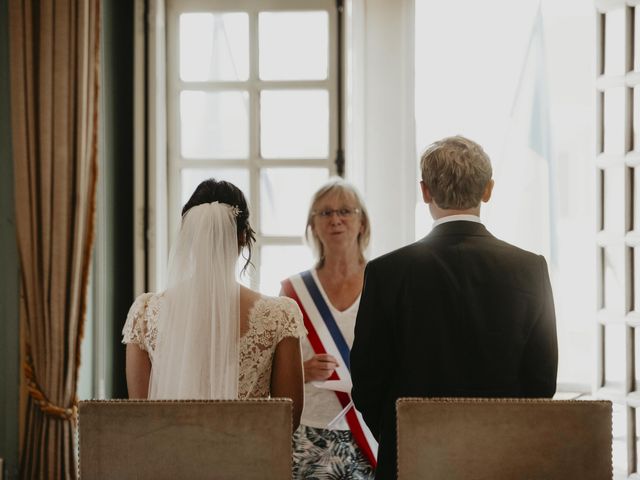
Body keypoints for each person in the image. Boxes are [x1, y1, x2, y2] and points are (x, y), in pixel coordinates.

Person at [351, 135, 558, 480]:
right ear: (488, 189)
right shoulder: (529, 268)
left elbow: (367, 378)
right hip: (502, 457)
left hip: (411, 455)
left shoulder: (387, 271)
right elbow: (541, 380)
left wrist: (398, 436)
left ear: (425, 192)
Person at [122, 179, 305, 429]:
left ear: (189, 238)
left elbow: (142, 418)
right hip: (249, 460)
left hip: (170, 462)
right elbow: (288, 422)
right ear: (243, 237)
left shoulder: (144, 312)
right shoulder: (280, 315)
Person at [280, 178, 376, 480]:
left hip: (370, 430)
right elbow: (272, 366)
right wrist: (302, 370)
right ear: (313, 225)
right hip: (311, 429)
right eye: (325, 213)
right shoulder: (292, 290)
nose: (336, 220)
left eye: (345, 211)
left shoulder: (382, 282)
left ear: (361, 222)